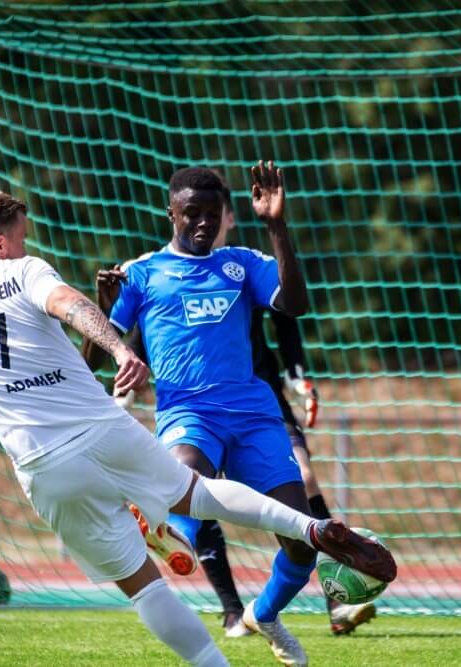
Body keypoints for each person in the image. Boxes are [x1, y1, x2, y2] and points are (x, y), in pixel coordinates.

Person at [0, 191, 396, 667]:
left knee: (146, 589)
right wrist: (119, 348)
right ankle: (309, 526)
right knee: (201, 494)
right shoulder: (22, 270)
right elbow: (72, 306)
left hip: (43, 467)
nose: (25, 246)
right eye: (21, 238)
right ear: (0, 245)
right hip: (103, 429)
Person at [84, 163, 385, 666]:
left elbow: (295, 304)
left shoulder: (241, 263)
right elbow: (89, 361)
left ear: (225, 214)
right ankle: (162, 524)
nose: (203, 224)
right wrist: (103, 306)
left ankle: (264, 615)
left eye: (212, 214)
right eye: (191, 215)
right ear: (171, 213)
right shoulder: (140, 274)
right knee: (186, 473)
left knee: (300, 544)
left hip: (254, 415)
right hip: (188, 411)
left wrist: (276, 224)